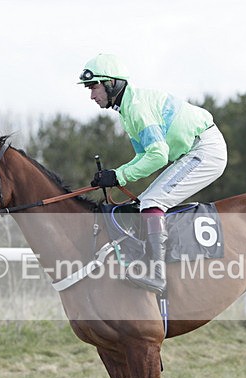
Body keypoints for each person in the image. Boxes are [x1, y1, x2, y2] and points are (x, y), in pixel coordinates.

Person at [79, 53, 228, 294]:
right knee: (142, 204)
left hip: (205, 149)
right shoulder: (127, 110)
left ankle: (158, 276)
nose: (92, 95)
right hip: (192, 151)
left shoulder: (137, 108)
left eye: (94, 87)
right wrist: (115, 173)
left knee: (151, 202)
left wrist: (119, 176)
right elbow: (144, 157)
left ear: (111, 83)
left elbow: (158, 155)